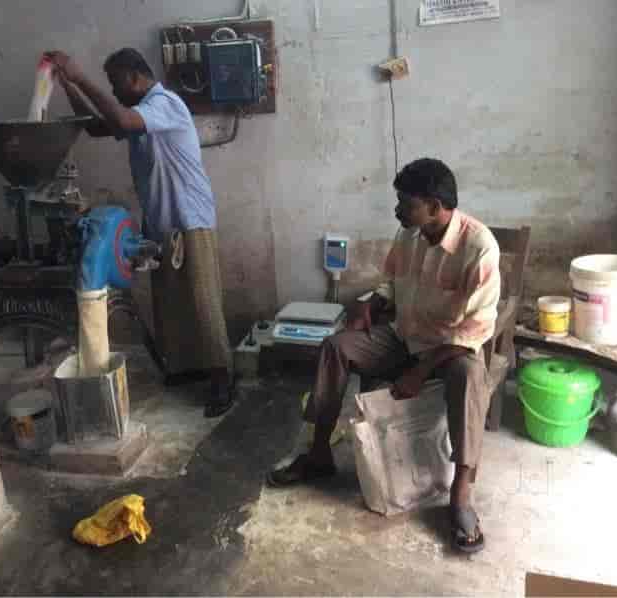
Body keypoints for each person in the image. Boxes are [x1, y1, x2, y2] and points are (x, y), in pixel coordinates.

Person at [267, 158, 500, 553]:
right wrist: (370, 305)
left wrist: (422, 369)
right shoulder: (408, 234)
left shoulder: (478, 248)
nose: (398, 210)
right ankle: (319, 452)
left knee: (469, 376)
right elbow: (392, 282)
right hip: (403, 337)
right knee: (335, 347)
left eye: (406, 203)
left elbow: (474, 330)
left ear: (435, 206)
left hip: (450, 349)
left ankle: (461, 494)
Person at [45, 48, 234, 417]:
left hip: (189, 218)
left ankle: (224, 380)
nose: (114, 92)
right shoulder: (140, 113)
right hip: (162, 221)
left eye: (115, 84)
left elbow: (118, 118)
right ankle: (189, 369)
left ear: (134, 77)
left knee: (202, 302)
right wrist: (69, 86)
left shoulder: (165, 103)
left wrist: (81, 75)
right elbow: (98, 125)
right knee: (170, 302)